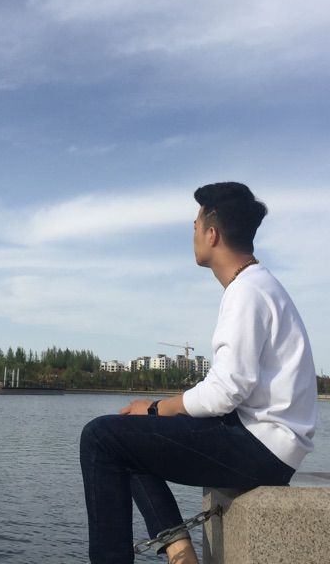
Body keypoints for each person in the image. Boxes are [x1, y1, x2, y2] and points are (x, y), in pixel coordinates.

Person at [79, 182, 317, 564]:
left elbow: (227, 390)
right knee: (125, 436)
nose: (191, 235)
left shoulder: (246, 292)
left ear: (212, 233)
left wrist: (156, 407)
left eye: (194, 226)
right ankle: (179, 551)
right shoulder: (259, 285)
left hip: (262, 447)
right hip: (265, 440)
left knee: (100, 438)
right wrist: (154, 413)